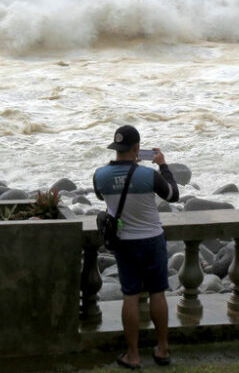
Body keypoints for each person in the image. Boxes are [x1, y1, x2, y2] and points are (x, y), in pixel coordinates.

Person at [93, 125, 180, 369]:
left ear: (115, 147)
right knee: (157, 293)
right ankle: (162, 349)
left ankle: (133, 355)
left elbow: (101, 196)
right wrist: (162, 165)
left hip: (124, 242)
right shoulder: (148, 175)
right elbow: (173, 195)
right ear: (137, 149)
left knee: (130, 296)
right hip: (152, 239)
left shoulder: (99, 175)